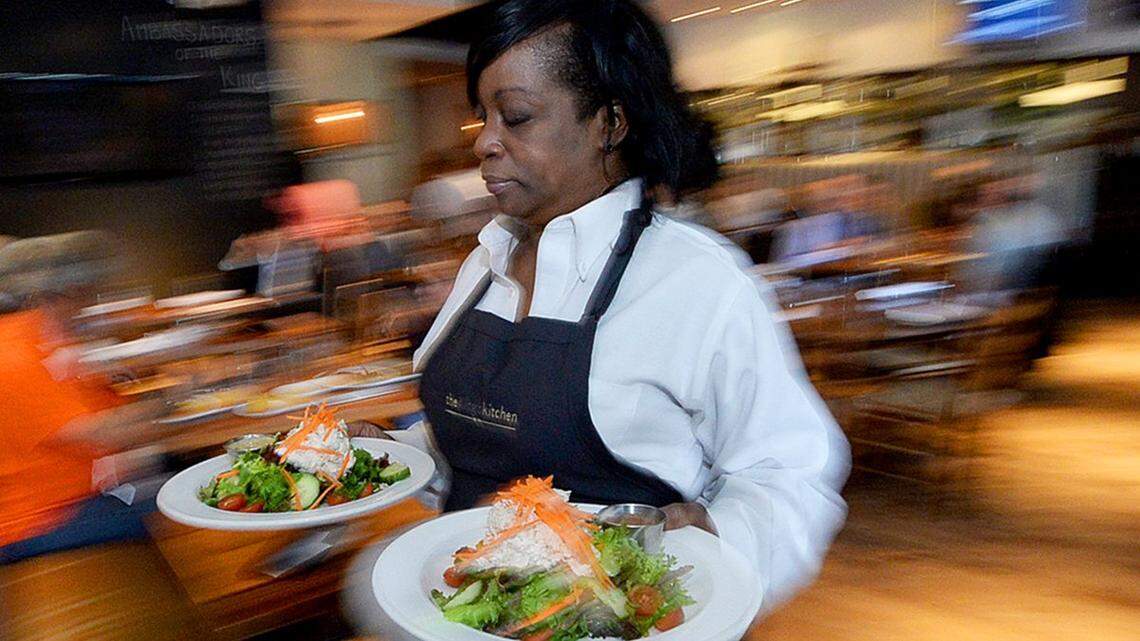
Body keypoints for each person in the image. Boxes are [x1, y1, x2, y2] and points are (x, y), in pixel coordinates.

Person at [412, 0, 849, 607]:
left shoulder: (697, 279)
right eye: (482, 117)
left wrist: (719, 536)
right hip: (462, 610)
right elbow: (471, 441)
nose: (485, 142)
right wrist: (391, 460)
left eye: (516, 117)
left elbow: (792, 476)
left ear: (610, 123)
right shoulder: (485, 261)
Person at [0, 232, 166, 563]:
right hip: (37, 520)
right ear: (65, 293)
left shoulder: (40, 335)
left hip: (79, 493)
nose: (92, 304)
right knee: (174, 509)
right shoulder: (13, 357)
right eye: (91, 293)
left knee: (171, 479)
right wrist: (174, 402)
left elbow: (106, 411)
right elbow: (102, 432)